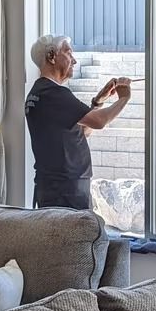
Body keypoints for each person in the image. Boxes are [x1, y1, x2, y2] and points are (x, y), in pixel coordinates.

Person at [25, 34, 130, 210]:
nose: (74, 61)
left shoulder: (41, 92)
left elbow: (83, 132)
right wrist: (124, 98)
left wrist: (98, 101)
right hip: (66, 189)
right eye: (69, 53)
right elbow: (99, 122)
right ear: (51, 56)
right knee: (75, 236)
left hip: (58, 187)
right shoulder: (53, 94)